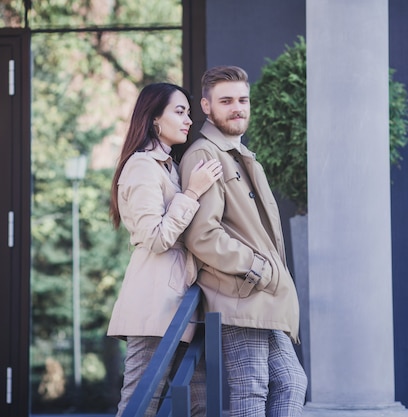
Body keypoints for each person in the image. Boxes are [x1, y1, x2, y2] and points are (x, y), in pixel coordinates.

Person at [179, 66, 307, 416]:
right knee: (251, 391)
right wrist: (257, 268)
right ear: (206, 106)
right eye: (226, 101)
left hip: (263, 297)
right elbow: (202, 235)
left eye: (242, 100)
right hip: (240, 294)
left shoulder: (242, 156)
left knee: (292, 382)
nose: (237, 107)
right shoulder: (204, 156)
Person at [107, 82, 222, 417]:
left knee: (199, 402)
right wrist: (192, 193)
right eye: (180, 111)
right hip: (153, 305)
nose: (189, 119)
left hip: (181, 304)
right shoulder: (142, 166)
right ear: (155, 118)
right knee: (141, 403)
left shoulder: (168, 167)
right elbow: (155, 237)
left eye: (188, 112)